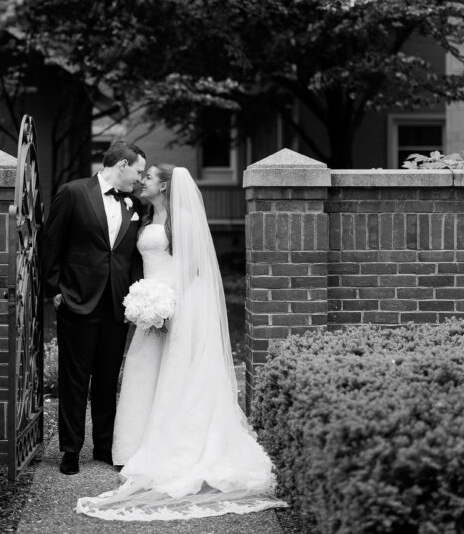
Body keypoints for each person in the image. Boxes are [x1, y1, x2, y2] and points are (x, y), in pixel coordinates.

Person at [76, 165, 287, 520]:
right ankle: (133, 446)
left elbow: (193, 269)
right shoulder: (143, 215)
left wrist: (169, 305)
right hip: (151, 307)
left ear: (164, 186)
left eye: (149, 177)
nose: (142, 181)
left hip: (176, 305)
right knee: (144, 370)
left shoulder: (183, 221)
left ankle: (173, 445)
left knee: (176, 375)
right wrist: (147, 303)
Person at [41, 141, 147, 476]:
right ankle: (70, 450)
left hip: (117, 304)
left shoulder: (135, 204)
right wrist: (54, 290)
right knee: (74, 379)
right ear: (122, 165)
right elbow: (51, 242)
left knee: (107, 378)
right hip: (77, 300)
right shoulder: (73, 193)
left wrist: (136, 296)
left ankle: (104, 446)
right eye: (138, 171)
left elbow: (131, 256)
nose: (140, 178)